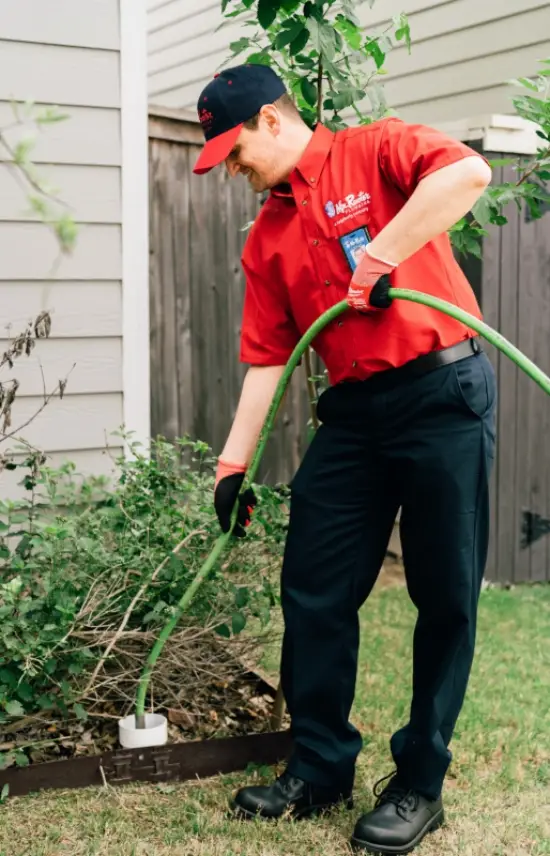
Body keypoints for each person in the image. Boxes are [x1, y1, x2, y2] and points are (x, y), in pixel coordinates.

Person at [193, 64, 496, 855]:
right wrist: (232, 467)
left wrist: (383, 253)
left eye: (234, 149)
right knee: (315, 587)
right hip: (355, 417)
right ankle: (321, 765)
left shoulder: (376, 151)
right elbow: (268, 358)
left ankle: (419, 782)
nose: (232, 167)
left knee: (445, 596)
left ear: (270, 118)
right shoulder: (267, 238)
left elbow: (470, 171)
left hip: (443, 393)